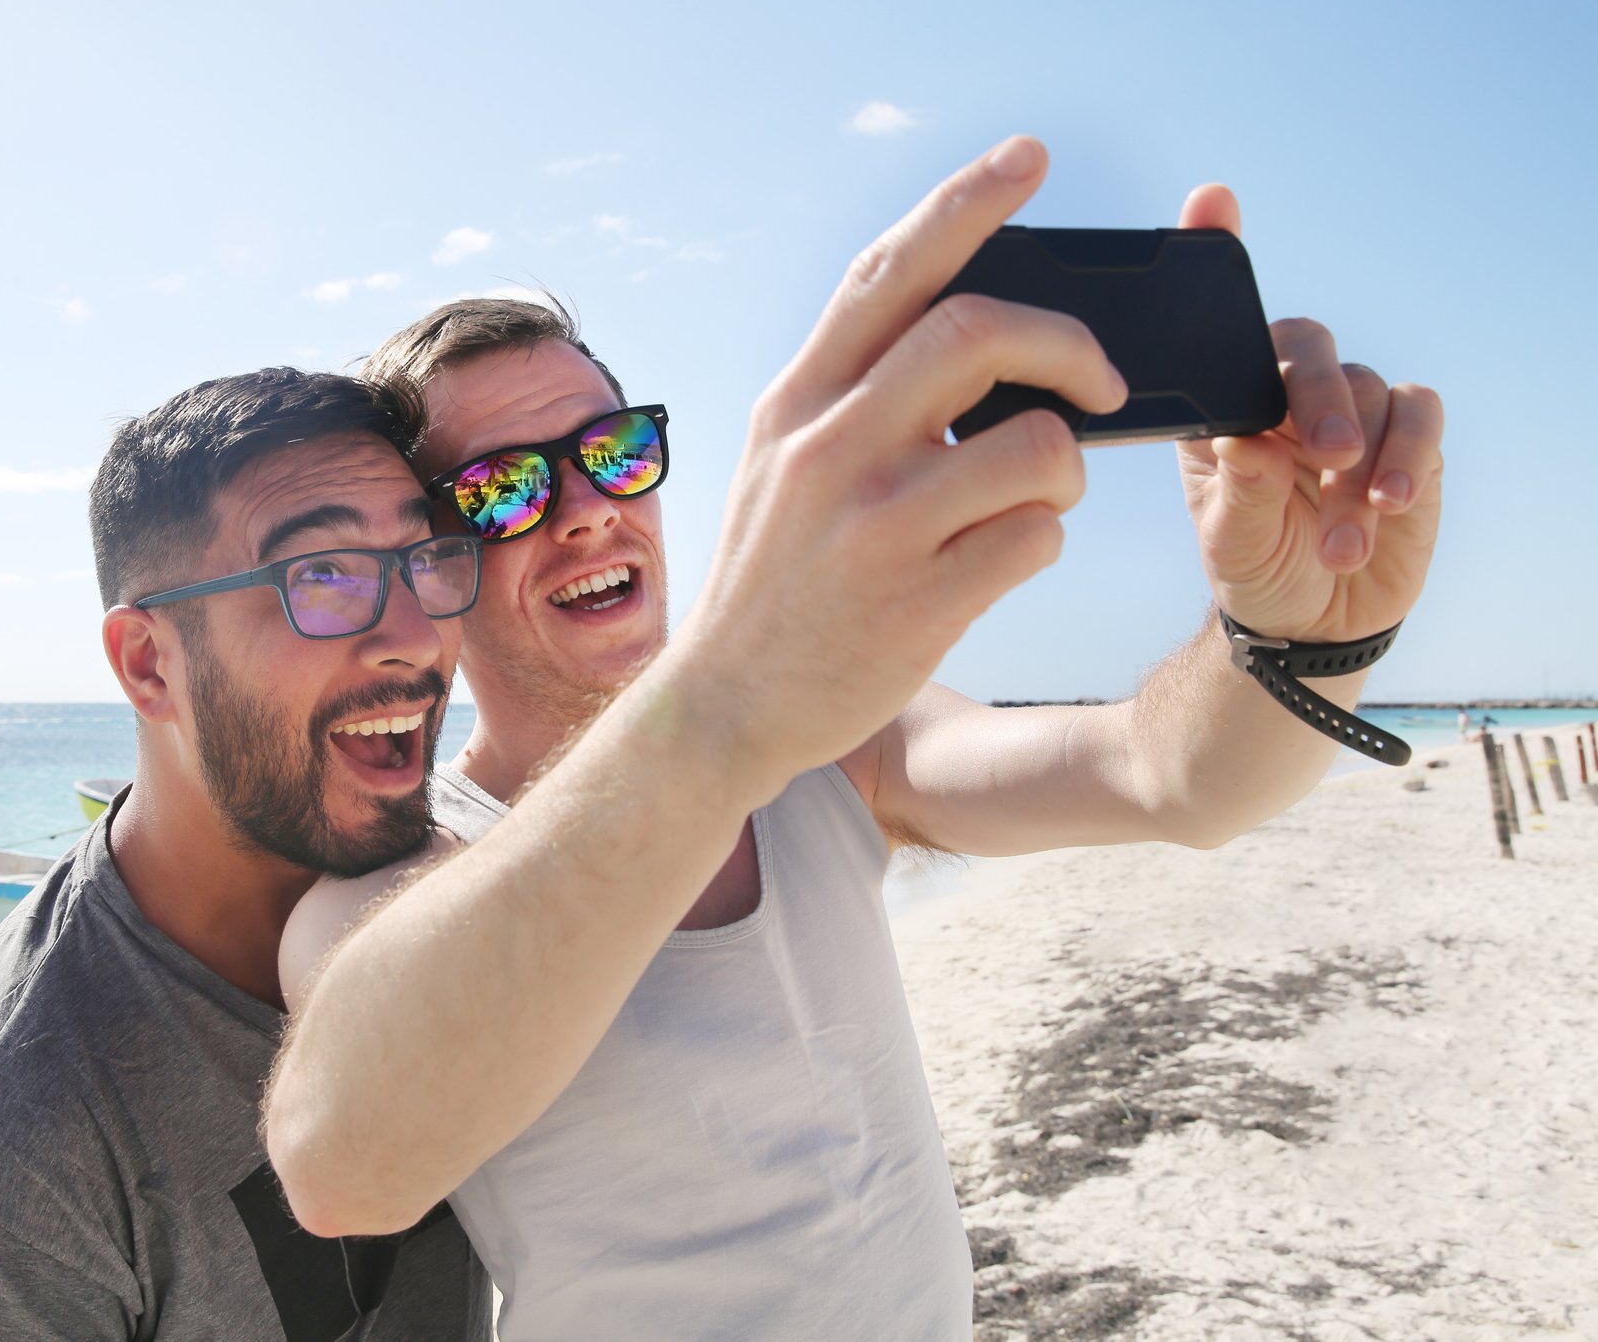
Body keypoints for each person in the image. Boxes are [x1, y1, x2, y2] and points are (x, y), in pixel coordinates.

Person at [265, 137, 1446, 1338]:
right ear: (434, 562)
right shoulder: (404, 879)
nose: (586, 513)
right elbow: (347, 1164)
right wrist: (725, 700)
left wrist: (1294, 636)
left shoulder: (825, 746)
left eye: (614, 454)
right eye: (504, 491)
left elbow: (1170, 778)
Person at [0, 369, 494, 1340]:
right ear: (149, 662)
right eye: (324, 576)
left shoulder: (456, 905)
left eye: (424, 562)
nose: (415, 638)